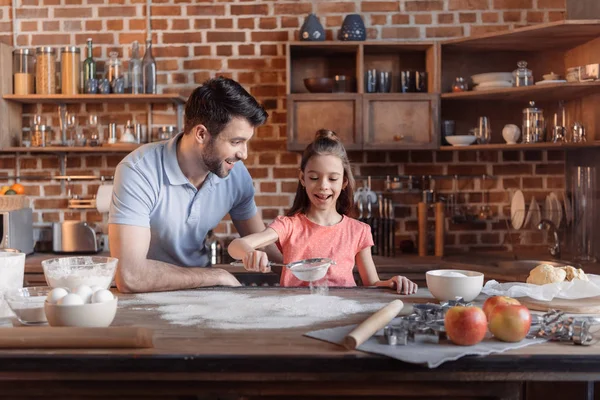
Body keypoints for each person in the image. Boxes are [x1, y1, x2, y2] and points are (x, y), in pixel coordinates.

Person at [109, 77, 281, 293]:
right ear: (201, 134)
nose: (244, 154)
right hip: (145, 299)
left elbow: (264, 244)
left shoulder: (236, 174)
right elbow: (130, 276)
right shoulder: (139, 170)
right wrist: (216, 275)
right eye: (236, 142)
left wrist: (313, 277)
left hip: (204, 297)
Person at [228, 130, 418, 294]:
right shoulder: (288, 226)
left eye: (333, 179)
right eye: (314, 177)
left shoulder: (359, 231)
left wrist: (392, 283)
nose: (323, 186)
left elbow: (372, 284)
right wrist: (249, 253)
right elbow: (235, 247)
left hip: (343, 314)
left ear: (344, 182)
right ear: (303, 178)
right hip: (295, 315)